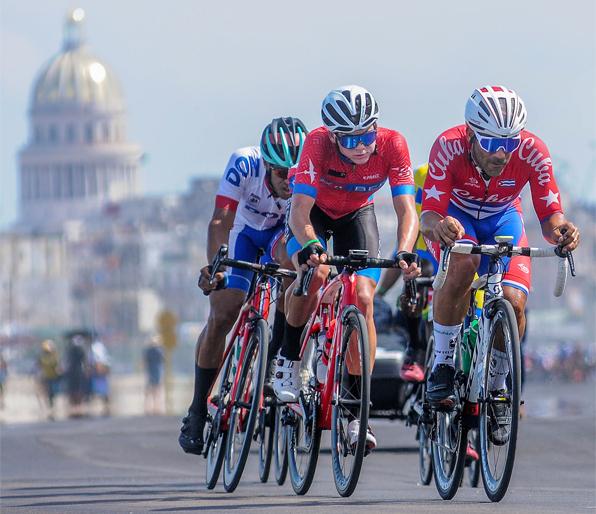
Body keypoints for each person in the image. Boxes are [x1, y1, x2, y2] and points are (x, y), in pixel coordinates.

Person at [420, 85, 580, 443]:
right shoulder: (448, 145)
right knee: (464, 263)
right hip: (456, 217)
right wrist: (440, 227)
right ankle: (443, 363)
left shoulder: (534, 151)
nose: (502, 154)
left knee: (513, 299)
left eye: (510, 143)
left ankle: (498, 382)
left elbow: (551, 217)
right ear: (472, 134)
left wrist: (564, 233)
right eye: (492, 144)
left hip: (503, 217)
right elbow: (427, 216)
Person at [273, 85, 420, 452]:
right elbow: (299, 213)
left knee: (364, 298)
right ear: (334, 135)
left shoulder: (393, 145)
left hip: (357, 213)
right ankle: (288, 359)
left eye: (367, 135)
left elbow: (407, 211)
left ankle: (356, 412)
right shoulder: (317, 144)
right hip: (315, 215)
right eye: (350, 138)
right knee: (316, 273)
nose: (361, 146)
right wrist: (310, 246)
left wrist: (404, 251)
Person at [178, 117, 308, 455]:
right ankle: (197, 407)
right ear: (266, 163)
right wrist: (214, 267)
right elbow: (221, 220)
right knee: (224, 312)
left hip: (281, 233)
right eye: (281, 173)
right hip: (244, 233)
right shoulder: (243, 163)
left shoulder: (308, 173)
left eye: (294, 174)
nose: (288, 181)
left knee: (291, 271)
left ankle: (273, 365)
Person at [376, 163, 437, 382]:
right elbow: (399, 254)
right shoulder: (422, 174)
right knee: (416, 280)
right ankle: (416, 352)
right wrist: (380, 294)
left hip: (456, 253)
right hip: (425, 254)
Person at [36, 339, 62, 420]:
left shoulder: (55, 356)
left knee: (52, 393)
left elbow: (57, 365)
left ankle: (51, 407)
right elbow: (38, 366)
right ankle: (46, 407)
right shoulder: (42, 357)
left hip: (53, 377)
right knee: (45, 393)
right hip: (45, 377)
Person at [88, 338, 111, 416]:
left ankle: (106, 406)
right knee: (96, 391)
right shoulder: (94, 349)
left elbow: (101, 361)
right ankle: (96, 407)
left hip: (100, 374)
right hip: (96, 374)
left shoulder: (97, 348)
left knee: (103, 391)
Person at [144, 335, 165, 415]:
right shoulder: (159, 350)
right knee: (157, 391)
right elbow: (163, 360)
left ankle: (148, 408)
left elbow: (145, 361)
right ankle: (157, 408)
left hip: (150, 372)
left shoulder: (148, 351)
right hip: (157, 372)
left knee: (150, 391)